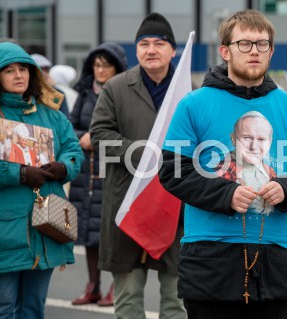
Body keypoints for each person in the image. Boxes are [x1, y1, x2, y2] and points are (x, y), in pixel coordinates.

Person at [159, 9, 287, 319]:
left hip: (275, 257)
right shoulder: (194, 104)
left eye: (262, 44)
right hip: (209, 257)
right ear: (226, 51)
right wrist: (226, 195)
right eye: (244, 44)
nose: (254, 52)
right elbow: (172, 171)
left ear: (271, 51)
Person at [89, 12, 186, 319]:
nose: (151, 49)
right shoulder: (116, 87)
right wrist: (142, 153)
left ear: (173, 50)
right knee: (128, 296)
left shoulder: (190, 91)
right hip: (128, 202)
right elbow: (100, 134)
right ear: (136, 50)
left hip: (177, 205)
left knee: (178, 297)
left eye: (159, 43)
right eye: (144, 43)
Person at [0, 42, 83, 319]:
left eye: (23, 69)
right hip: (5, 229)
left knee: (34, 308)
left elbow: (73, 149)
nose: (18, 75)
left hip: (47, 226)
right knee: (4, 308)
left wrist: (64, 168)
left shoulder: (51, 114)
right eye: (9, 70)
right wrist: (19, 173)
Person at [69, 42, 128, 307]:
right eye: (97, 65)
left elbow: (128, 130)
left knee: (113, 230)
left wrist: (100, 139)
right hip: (86, 171)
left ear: (117, 68)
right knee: (88, 230)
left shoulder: (124, 93)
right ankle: (93, 285)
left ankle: (117, 286)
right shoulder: (84, 92)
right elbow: (69, 127)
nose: (100, 70)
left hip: (113, 168)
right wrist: (85, 138)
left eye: (106, 65)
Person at [217, 111, 277, 215]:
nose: (254, 146)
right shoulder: (224, 168)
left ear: (270, 142)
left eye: (262, 139)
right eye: (247, 138)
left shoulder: (270, 171)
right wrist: (228, 196)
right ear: (233, 139)